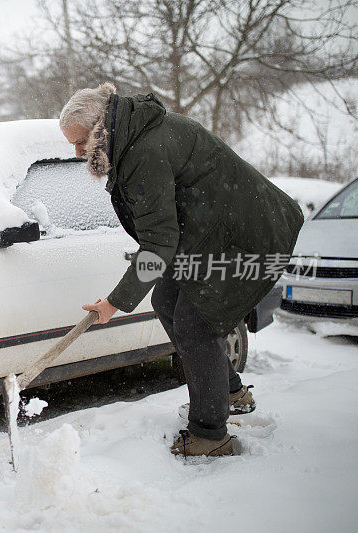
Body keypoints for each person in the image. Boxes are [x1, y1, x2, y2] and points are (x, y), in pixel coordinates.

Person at [59, 83, 304, 457]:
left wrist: (114, 301)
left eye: (79, 143)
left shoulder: (144, 151)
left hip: (248, 238)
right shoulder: (136, 136)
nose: (77, 153)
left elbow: (159, 242)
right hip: (213, 236)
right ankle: (230, 392)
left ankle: (210, 435)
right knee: (167, 299)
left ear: (98, 128)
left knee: (196, 321)